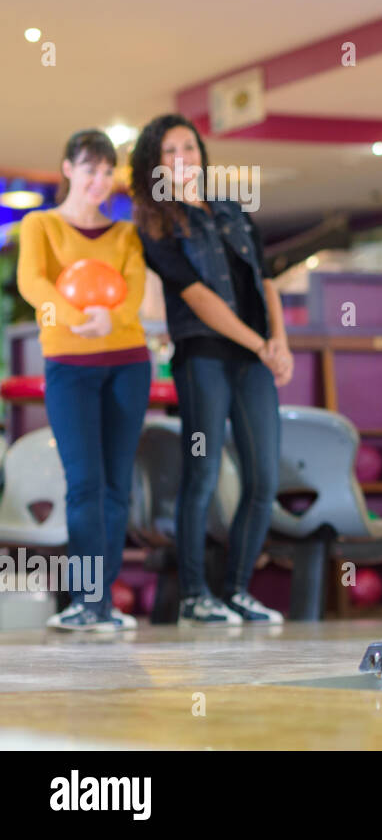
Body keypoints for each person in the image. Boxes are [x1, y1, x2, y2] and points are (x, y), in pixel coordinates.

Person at [130, 114, 292, 625]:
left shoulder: (232, 210)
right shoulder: (156, 222)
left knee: (263, 476)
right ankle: (196, 595)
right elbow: (198, 298)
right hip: (203, 357)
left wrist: (279, 344)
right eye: (171, 152)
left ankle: (238, 589)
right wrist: (260, 345)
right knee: (200, 474)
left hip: (255, 360)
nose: (183, 159)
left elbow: (265, 281)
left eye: (190, 148)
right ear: (155, 164)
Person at [17, 130, 150, 632]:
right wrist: (77, 317)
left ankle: (103, 604)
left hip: (128, 363)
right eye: (89, 168)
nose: (99, 179)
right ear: (68, 168)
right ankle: (84, 600)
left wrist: (109, 322)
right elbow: (34, 281)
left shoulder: (126, 235)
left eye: (106, 170)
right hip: (70, 366)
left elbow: (132, 294)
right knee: (84, 484)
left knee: (117, 486)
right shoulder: (40, 225)